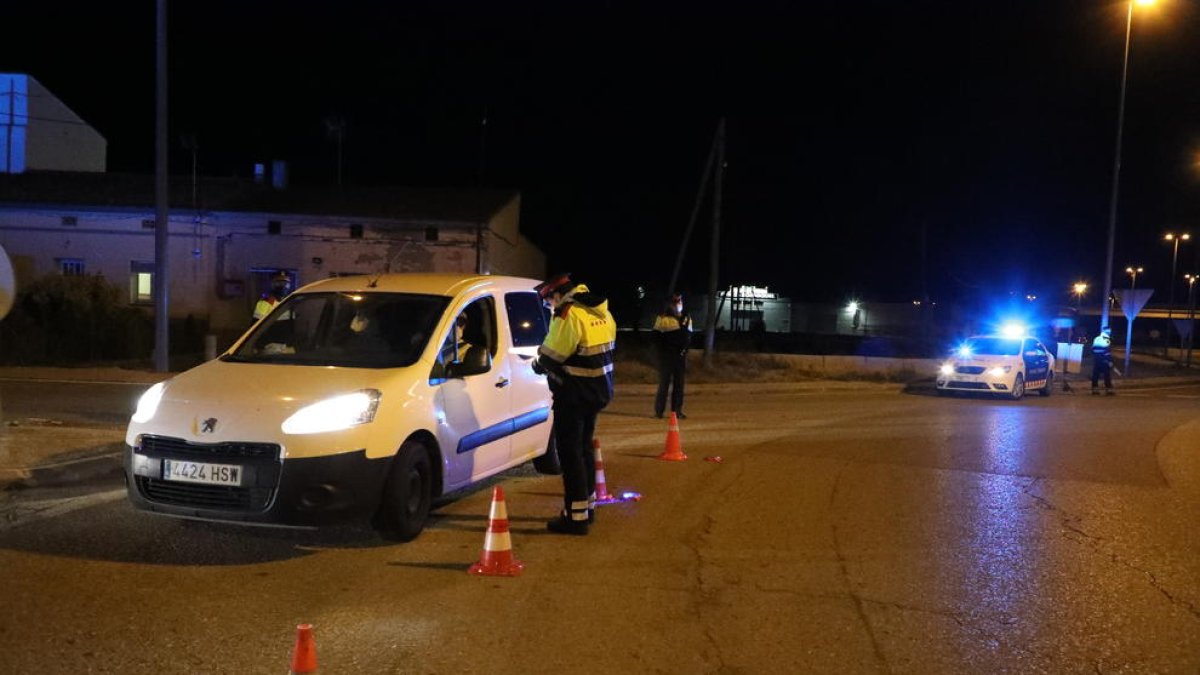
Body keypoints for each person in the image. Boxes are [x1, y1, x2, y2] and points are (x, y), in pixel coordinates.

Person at [533, 273, 616, 536]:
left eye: (549, 301)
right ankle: (587, 508)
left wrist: (537, 363)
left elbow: (551, 355)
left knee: (570, 455)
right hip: (597, 390)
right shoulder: (601, 311)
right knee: (584, 448)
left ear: (557, 295)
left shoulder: (568, 314)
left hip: (574, 394)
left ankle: (575, 518)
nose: (549, 306)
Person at [652, 293, 691, 419]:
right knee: (664, 384)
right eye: (676, 302)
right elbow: (656, 337)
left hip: (679, 356)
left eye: (680, 301)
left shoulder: (686, 318)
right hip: (666, 356)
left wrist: (684, 350)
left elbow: (687, 337)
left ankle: (676, 411)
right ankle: (659, 411)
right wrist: (662, 351)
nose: (678, 304)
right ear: (670, 304)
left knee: (679, 385)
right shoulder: (662, 318)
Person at [1091, 325, 1115, 396]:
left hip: (1096, 359)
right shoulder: (1107, 340)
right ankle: (1109, 390)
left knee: (1095, 375)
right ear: (1108, 332)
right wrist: (1109, 361)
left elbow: (1093, 349)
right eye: (1109, 332)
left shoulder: (1096, 338)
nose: (1110, 333)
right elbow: (1107, 352)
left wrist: (1097, 357)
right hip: (1104, 360)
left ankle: (1094, 390)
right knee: (1106, 375)